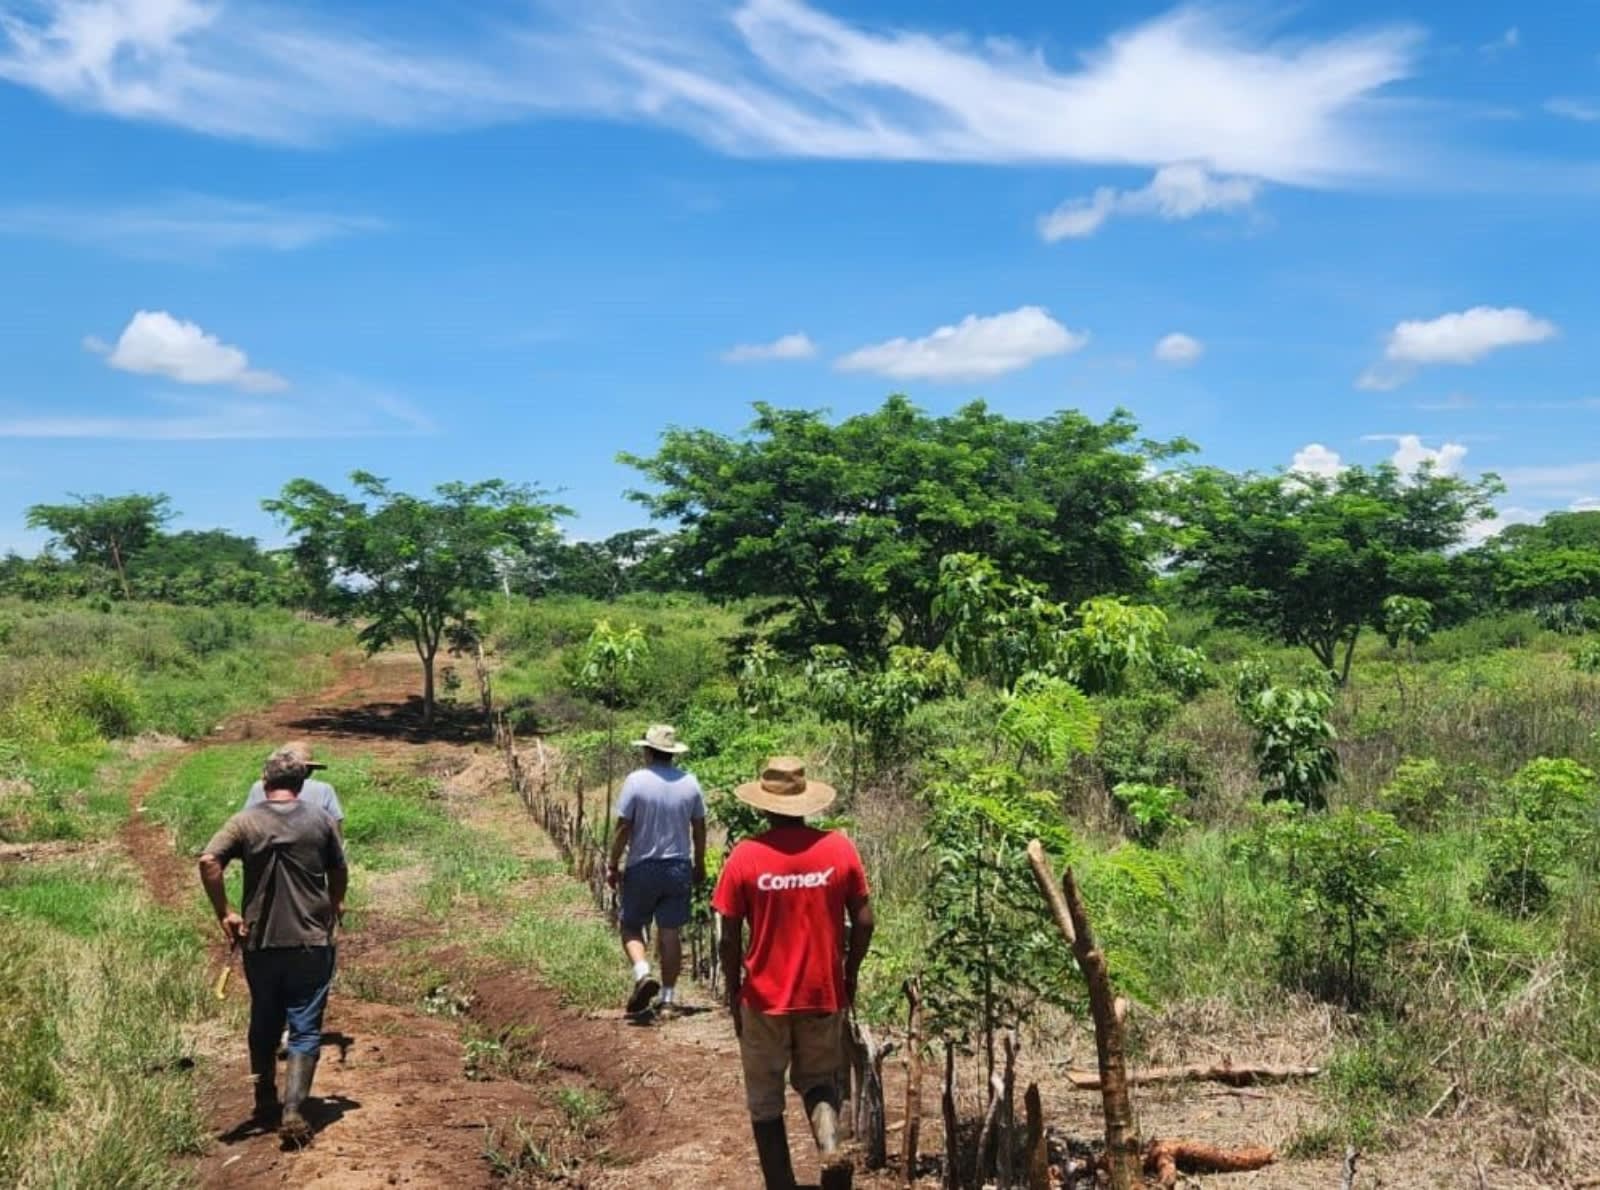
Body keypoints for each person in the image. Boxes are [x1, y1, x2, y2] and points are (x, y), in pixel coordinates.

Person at [713, 756, 873, 1190]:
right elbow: (864, 921)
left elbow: (727, 937)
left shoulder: (746, 855)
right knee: (820, 1080)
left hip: (764, 998)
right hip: (822, 992)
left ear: (764, 806)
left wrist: (733, 991)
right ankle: (827, 1146)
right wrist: (850, 973)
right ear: (806, 803)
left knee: (766, 1100)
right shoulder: (839, 849)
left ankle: (781, 1184)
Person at [199, 752, 347, 1146]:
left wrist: (225, 912)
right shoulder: (322, 820)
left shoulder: (245, 821)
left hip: (260, 940)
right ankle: (294, 1109)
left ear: (265, 783)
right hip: (310, 941)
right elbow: (339, 870)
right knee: (305, 1024)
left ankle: (264, 1097)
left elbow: (209, 860)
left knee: (264, 1016)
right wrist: (333, 903)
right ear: (300, 785)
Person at [605, 724, 706, 1017]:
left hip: (643, 865)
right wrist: (698, 863)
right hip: (678, 866)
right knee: (670, 930)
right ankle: (669, 999)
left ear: (648, 751)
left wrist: (613, 863)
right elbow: (699, 827)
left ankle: (642, 973)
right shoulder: (690, 782)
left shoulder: (636, 781)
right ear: (672, 754)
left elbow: (624, 826)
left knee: (631, 925)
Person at [244, 741, 344, 840]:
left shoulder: (258, 787)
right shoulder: (324, 790)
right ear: (309, 771)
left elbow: (247, 824)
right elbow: (336, 827)